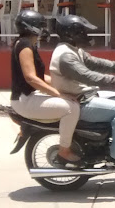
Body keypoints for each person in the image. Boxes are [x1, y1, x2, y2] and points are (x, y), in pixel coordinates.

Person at [49, 15, 115, 169]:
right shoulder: (66, 56)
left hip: (84, 96)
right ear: (71, 34)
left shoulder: (73, 50)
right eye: (82, 32)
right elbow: (88, 76)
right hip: (80, 102)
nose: (86, 35)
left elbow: (95, 63)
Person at [9, 10, 81, 167]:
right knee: (71, 108)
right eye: (41, 26)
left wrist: (68, 85)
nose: (44, 29)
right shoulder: (25, 46)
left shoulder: (27, 44)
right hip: (24, 100)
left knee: (73, 99)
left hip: (28, 97)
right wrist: (59, 94)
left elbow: (41, 78)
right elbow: (31, 78)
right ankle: (64, 150)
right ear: (32, 27)